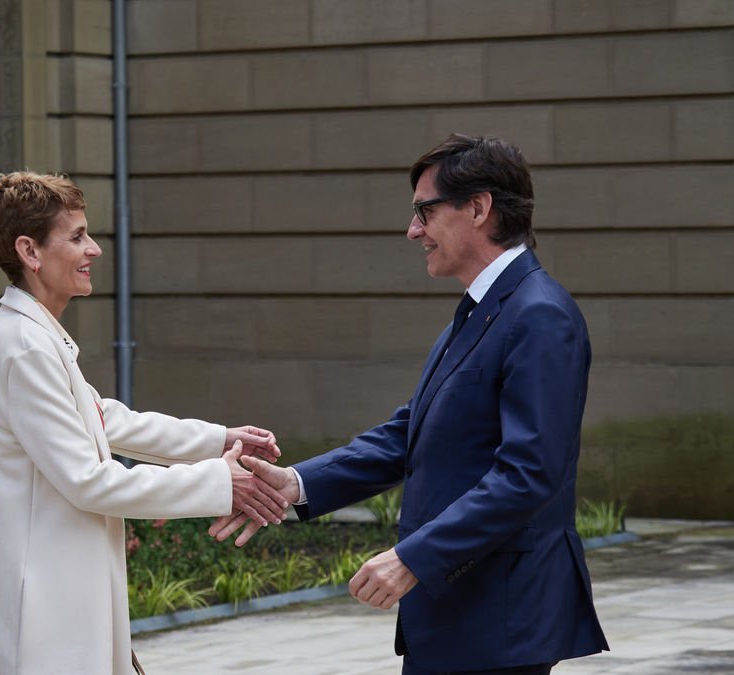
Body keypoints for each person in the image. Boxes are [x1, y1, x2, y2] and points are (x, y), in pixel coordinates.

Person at [211, 135, 609, 674]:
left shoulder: (539, 315)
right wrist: (297, 484)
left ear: (478, 207)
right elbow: (413, 432)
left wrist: (412, 558)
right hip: (464, 613)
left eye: (425, 210)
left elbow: (529, 474)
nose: (413, 230)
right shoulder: (484, 308)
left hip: (502, 618)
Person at [0, 171, 289, 675]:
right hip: (44, 613)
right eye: (76, 237)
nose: (93, 249)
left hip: (62, 597)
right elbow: (88, 481)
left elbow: (104, 418)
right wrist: (218, 482)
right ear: (30, 252)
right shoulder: (25, 346)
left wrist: (217, 440)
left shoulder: (32, 335)